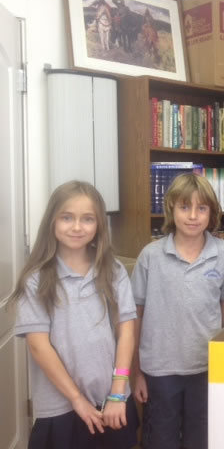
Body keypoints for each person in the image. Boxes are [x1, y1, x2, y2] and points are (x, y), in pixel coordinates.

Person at [11, 180, 138, 449]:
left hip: (112, 401)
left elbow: (126, 332)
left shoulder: (114, 271)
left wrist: (118, 391)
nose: (77, 227)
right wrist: (77, 400)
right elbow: (38, 346)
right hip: (61, 408)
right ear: (52, 221)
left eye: (87, 219)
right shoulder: (36, 280)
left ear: (99, 224)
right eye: (67, 217)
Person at [131, 172, 224, 449]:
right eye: (184, 207)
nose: (193, 216)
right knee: (160, 440)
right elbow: (135, 316)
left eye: (201, 208)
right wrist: (135, 372)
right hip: (159, 370)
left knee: (202, 438)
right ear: (171, 209)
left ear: (211, 212)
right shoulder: (150, 256)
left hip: (207, 367)